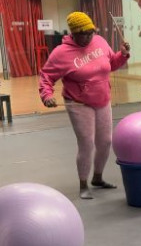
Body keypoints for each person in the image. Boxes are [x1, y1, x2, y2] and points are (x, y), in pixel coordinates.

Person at [39, 12, 130, 199]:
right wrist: (46, 95)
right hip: (78, 103)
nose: (88, 37)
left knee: (105, 142)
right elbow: (46, 76)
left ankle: (98, 178)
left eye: (91, 32)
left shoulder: (100, 42)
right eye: (84, 34)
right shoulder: (61, 53)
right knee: (87, 143)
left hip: (102, 99)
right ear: (73, 33)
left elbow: (111, 63)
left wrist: (123, 55)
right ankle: (83, 184)